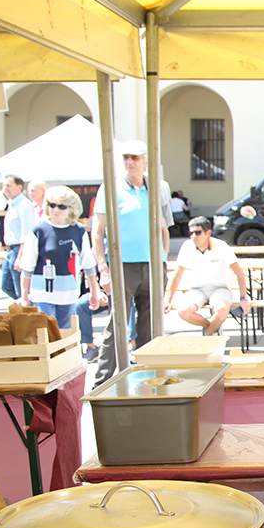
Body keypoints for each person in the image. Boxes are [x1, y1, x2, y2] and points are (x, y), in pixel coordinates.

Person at [91, 139, 171, 385]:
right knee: (117, 324)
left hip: (153, 265)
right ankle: (102, 381)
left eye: (135, 158)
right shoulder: (111, 188)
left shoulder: (159, 187)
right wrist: (102, 268)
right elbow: (97, 231)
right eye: (126, 157)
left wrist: (164, 260)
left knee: (150, 325)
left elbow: (165, 228)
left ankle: (148, 377)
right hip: (122, 265)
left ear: (146, 162)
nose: (129, 162)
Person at [18, 185, 101, 329]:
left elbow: (88, 265)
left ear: (71, 209)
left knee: (64, 333)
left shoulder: (79, 230)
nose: (55, 210)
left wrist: (95, 291)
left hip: (69, 292)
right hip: (42, 293)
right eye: (52, 205)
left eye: (62, 206)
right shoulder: (38, 231)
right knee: (46, 331)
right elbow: (27, 267)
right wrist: (25, 297)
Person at [163, 216, 249, 335]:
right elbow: (177, 275)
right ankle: (211, 327)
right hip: (197, 289)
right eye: (191, 233)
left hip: (220, 288)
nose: (194, 236)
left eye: (198, 232)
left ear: (208, 232)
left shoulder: (221, 246)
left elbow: (239, 273)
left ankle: (208, 334)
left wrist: (243, 298)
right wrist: (167, 299)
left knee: (221, 309)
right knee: (183, 311)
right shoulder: (187, 246)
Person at [0, 174, 35, 300]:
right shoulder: (11, 205)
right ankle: (25, 307)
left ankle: (28, 312)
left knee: (21, 290)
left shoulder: (24, 205)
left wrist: (20, 256)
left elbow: (27, 233)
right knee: (6, 285)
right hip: (10, 250)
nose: (5, 188)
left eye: (8, 185)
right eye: (3, 186)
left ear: (19, 187)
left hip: (18, 250)